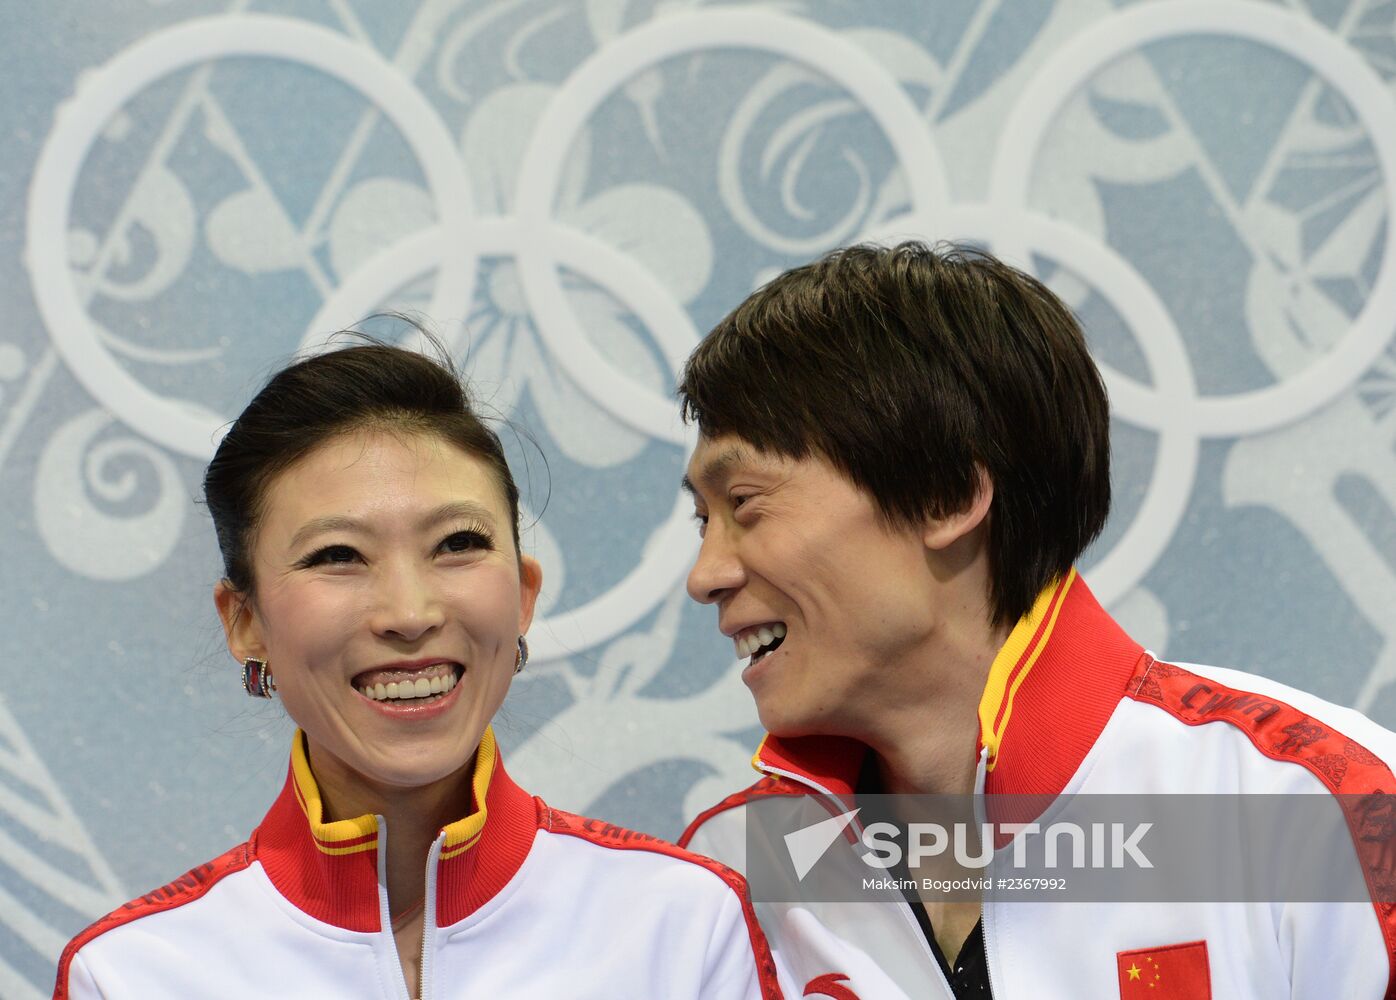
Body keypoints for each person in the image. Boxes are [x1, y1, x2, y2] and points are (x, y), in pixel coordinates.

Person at [675, 241, 1396, 999]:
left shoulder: (1321, 811)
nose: (706, 576)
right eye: (703, 523)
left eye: (745, 505)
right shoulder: (734, 874)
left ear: (946, 497)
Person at [54, 340, 781, 1000]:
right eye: (337, 555)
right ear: (245, 623)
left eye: (457, 543)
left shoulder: (682, 926)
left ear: (523, 594)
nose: (408, 612)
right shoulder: (130, 975)